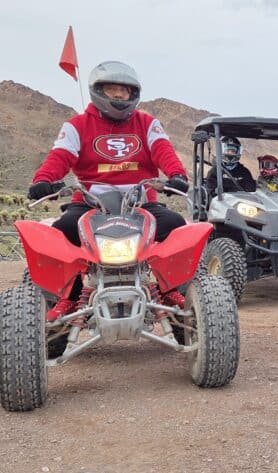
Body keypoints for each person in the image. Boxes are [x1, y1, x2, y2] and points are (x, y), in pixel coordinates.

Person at [27, 61, 190, 321]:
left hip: (140, 203)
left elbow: (164, 151)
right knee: (63, 231)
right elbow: (59, 157)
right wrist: (43, 181)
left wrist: (177, 176)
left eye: (123, 91)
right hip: (90, 204)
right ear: (98, 91)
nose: (117, 95)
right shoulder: (77, 126)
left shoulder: (147, 123)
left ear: (133, 95)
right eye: (111, 89)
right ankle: (68, 298)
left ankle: (169, 290)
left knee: (176, 225)